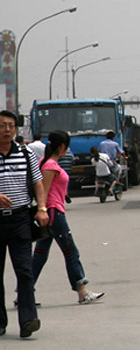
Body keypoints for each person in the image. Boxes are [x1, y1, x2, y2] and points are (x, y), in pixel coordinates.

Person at [31, 130, 104, 305]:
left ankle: (24, 292)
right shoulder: (50, 165)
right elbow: (44, 191)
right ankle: (82, 291)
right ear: (63, 146)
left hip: (50, 212)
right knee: (70, 251)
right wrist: (43, 210)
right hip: (53, 213)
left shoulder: (45, 162)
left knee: (40, 254)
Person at [0, 110, 48, 338]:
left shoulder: (26, 153)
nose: (7, 130)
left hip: (20, 219)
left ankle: (28, 320)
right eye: (2, 125)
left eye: (11, 126)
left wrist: (41, 208)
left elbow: (38, 183)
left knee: (25, 271)